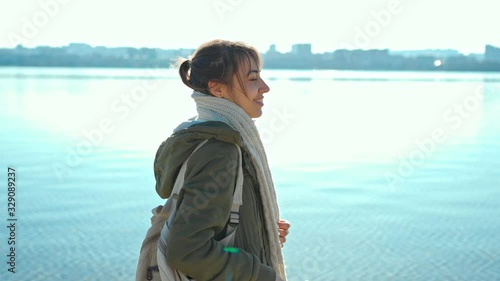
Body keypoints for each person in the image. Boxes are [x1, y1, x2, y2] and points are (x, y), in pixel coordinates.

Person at [153, 39, 290, 281]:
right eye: (252, 79)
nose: (265, 87)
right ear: (217, 89)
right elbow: (188, 251)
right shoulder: (219, 150)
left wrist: (259, 228)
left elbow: (217, 236)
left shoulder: (203, 135)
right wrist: (261, 275)